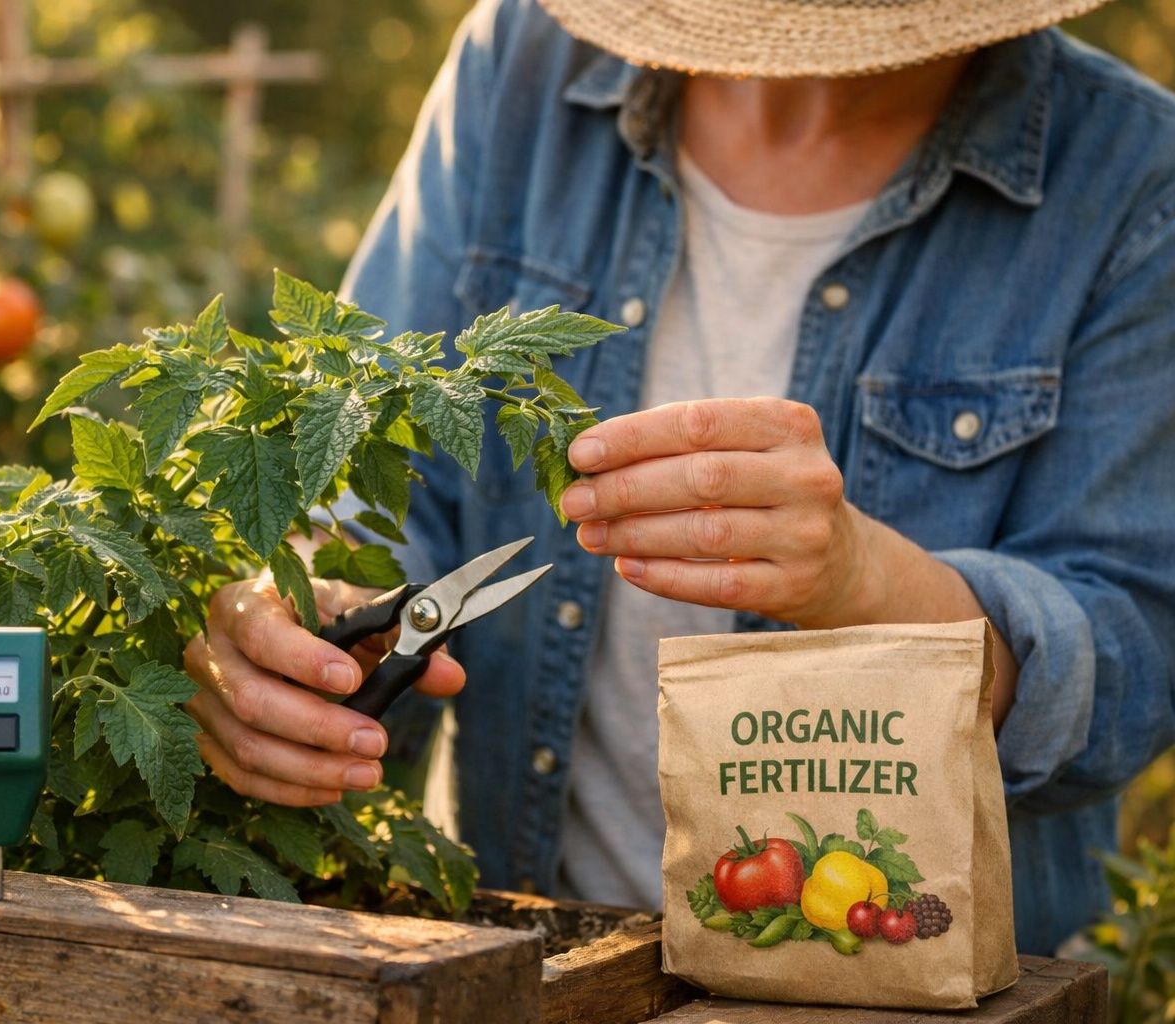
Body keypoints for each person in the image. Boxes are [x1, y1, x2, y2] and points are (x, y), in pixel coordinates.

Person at [184, 0, 1175, 954]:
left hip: (906, 985)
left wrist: (864, 581)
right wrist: (311, 624)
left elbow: (1134, 664)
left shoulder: (1132, 177)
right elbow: (362, 463)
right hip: (523, 957)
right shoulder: (527, 62)